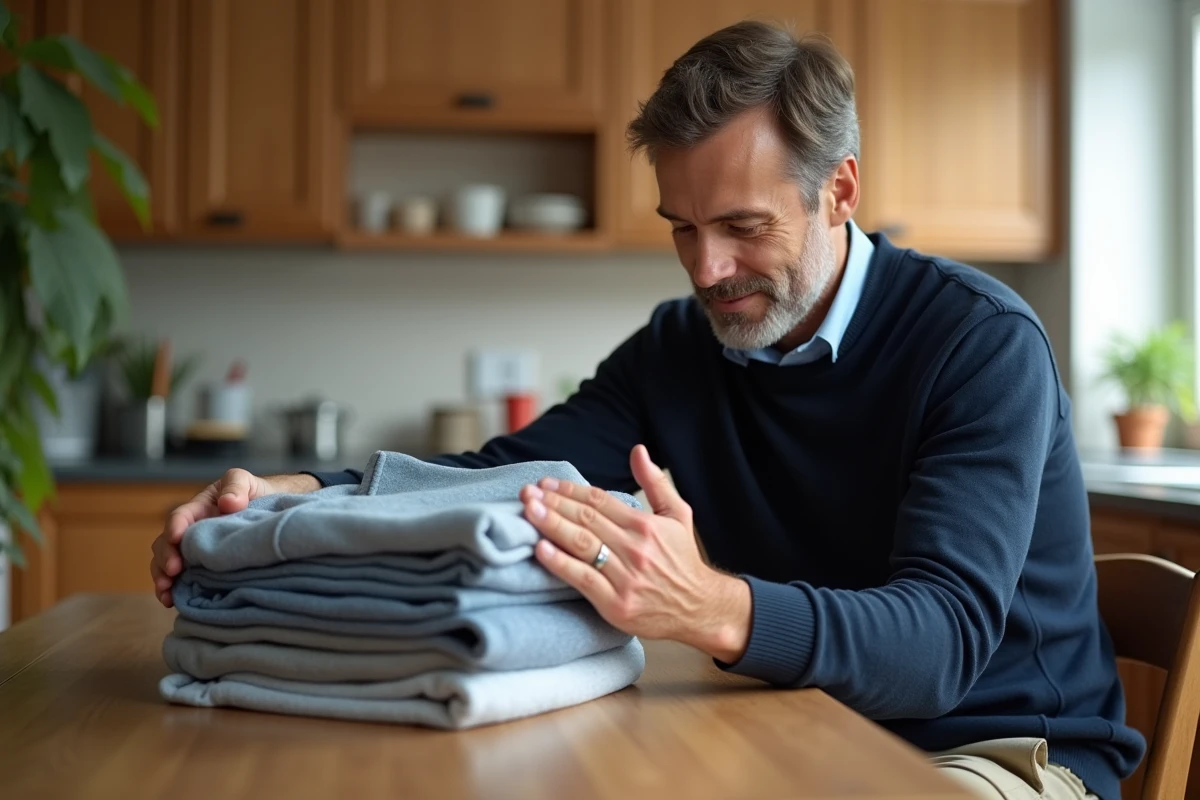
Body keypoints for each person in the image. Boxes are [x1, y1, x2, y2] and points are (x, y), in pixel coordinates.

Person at [150, 21, 1142, 800]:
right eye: (683, 228)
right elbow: (511, 470)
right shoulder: (683, 345)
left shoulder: (979, 344)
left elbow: (937, 645)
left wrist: (713, 605)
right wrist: (293, 494)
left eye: (743, 228)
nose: (709, 270)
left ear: (839, 191)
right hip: (801, 722)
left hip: (1006, 751)